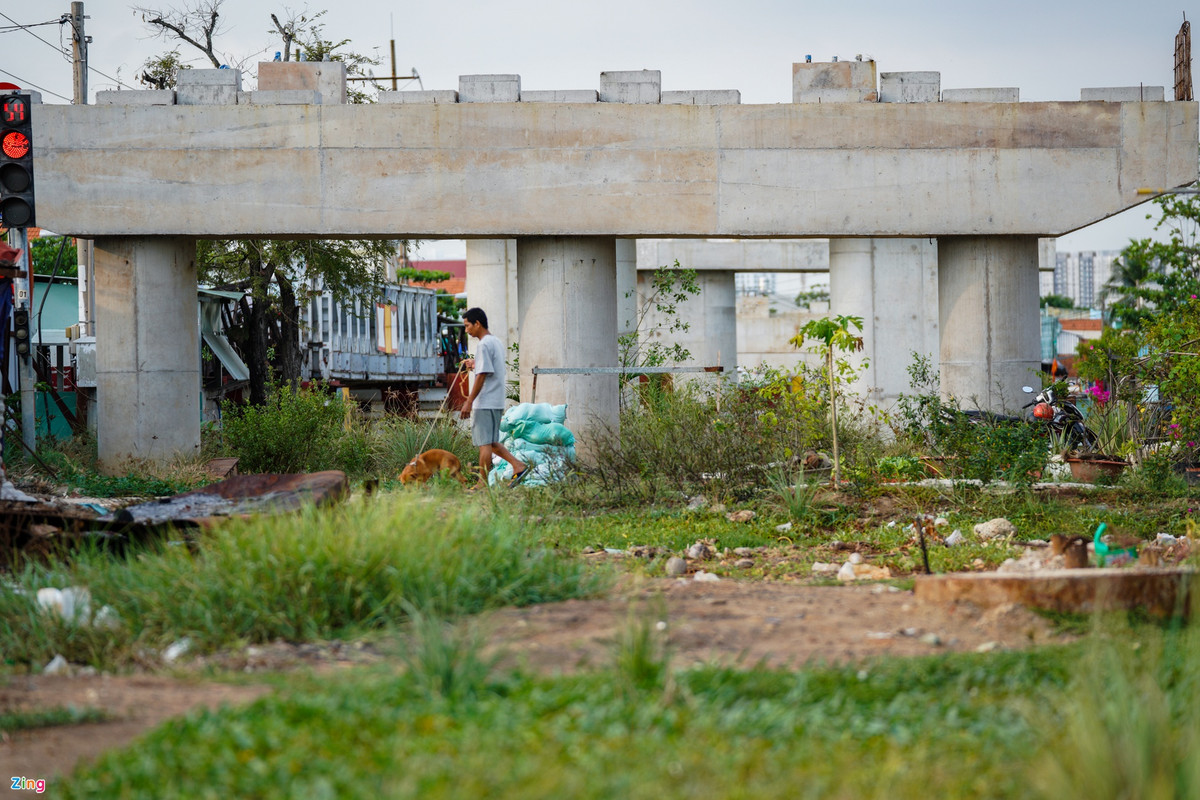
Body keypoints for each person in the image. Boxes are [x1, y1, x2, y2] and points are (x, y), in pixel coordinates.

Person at [459, 307, 528, 487]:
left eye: (467, 326)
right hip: (496, 400)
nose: (466, 330)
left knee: (484, 444)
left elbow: (482, 375)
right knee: (491, 442)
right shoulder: (495, 342)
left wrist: (468, 401)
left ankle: (482, 484)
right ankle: (518, 465)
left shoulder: (483, 344)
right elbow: (488, 368)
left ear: (477, 323)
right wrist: (474, 363)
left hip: (485, 401)